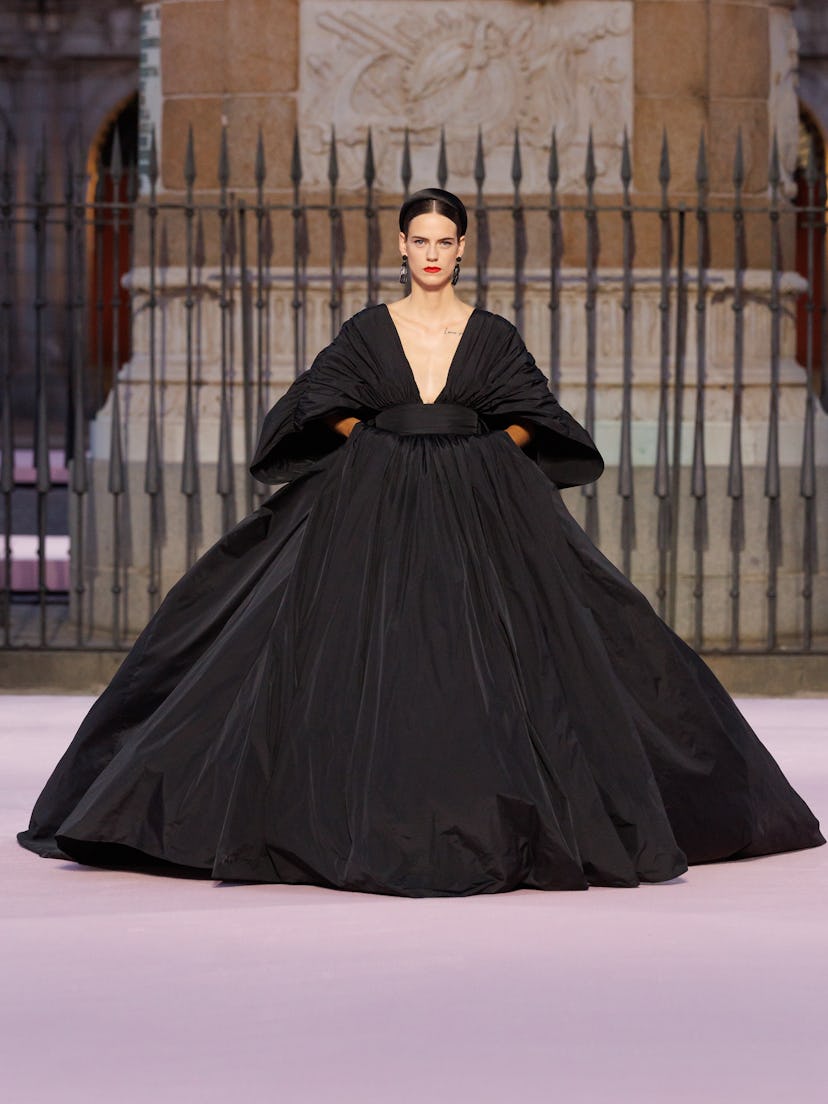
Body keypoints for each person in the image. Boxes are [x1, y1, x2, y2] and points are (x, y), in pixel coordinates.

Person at [18, 188, 824, 896]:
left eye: (446, 241)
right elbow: (317, 400)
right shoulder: (370, 331)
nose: (433, 254)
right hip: (372, 498)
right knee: (311, 641)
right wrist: (369, 442)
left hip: (484, 505)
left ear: (461, 248)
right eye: (421, 241)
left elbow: (534, 414)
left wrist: (486, 450)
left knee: (559, 641)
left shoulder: (492, 334)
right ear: (401, 246)